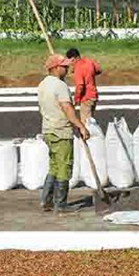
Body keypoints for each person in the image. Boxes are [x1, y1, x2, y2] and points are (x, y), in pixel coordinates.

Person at [37, 53, 91, 213]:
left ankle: (46, 200)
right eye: (64, 66)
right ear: (55, 68)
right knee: (64, 167)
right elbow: (67, 108)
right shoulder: (60, 86)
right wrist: (81, 126)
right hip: (61, 131)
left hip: (48, 130)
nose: (67, 68)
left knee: (54, 166)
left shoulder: (43, 84)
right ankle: (60, 204)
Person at [66, 48, 102, 123]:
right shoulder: (89, 62)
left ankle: (87, 135)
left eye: (71, 61)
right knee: (91, 121)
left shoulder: (78, 67)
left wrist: (76, 99)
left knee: (86, 124)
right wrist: (89, 75)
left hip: (86, 98)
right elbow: (99, 70)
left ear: (74, 58)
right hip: (93, 96)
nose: (70, 64)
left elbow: (80, 86)